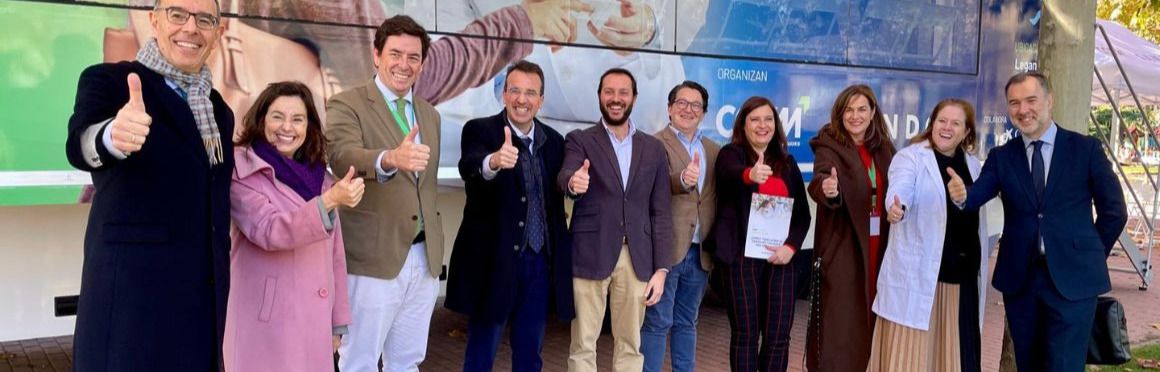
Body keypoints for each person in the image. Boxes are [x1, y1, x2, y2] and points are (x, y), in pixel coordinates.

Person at [63, 0, 233, 370]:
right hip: (131, 310)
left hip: (201, 309)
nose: (191, 28)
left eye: (204, 19)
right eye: (177, 14)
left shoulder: (219, 110)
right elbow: (80, 143)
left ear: (218, 32)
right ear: (154, 20)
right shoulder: (109, 81)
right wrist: (111, 137)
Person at [947, 71, 1127, 371]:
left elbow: (1115, 211)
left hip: (1074, 280)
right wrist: (961, 195)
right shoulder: (1002, 156)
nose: (1023, 110)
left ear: (1049, 100)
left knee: (1065, 366)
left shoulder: (1086, 149)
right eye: (1014, 103)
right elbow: (976, 195)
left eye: (1031, 100)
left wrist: (1089, 255)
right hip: (1022, 281)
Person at [325, 15, 445, 372]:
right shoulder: (347, 104)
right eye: (395, 54)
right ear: (376, 55)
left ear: (422, 64)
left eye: (413, 57)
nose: (403, 65)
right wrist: (389, 158)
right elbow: (339, 155)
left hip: (424, 257)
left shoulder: (430, 114)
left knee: (407, 361)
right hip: (372, 257)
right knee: (358, 360)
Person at [444, 60, 574, 371]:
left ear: (541, 100)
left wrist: (575, 188)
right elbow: (470, 166)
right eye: (515, 90)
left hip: (539, 264)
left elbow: (560, 190)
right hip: (494, 262)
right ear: (503, 94)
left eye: (531, 93)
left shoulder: (555, 141)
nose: (522, 99)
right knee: (481, 353)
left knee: (530, 354)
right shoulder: (480, 130)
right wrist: (493, 162)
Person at [222, 82, 361, 372]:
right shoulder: (241, 169)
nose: (287, 127)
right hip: (266, 323)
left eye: (298, 119)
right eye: (277, 116)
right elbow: (269, 229)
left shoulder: (319, 175)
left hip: (315, 320)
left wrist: (338, 321)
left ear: (309, 126)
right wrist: (327, 203)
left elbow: (335, 257)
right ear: (261, 120)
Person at [556, 68, 674, 372]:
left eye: (623, 92)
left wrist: (661, 269)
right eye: (609, 92)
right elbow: (566, 175)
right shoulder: (580, 140)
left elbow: (660, 211)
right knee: (583, 343)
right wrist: (573, 183)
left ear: (634, 97)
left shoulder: (653, 148)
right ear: (599, 96)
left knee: (630, 345)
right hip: (590, 252)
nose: (616, 99)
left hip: (638, 258)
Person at [868, 98, 990, 372]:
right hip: (924, 280)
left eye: (955, 123)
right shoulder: (911, 157)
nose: (946, 128)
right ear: (932, 124)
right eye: (941, 121)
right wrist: (896, 207)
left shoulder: (973, 165)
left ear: (967, 131)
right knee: (913, 360)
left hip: (964, 281)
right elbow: (900, 188)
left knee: (958, 359)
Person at [709, 96, 811, 372]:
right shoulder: (731, 155)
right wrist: (750, 175)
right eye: (755, 119)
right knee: (745, 334)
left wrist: (791, 247)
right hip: (741, 261)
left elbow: (803, 216)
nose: (762, 125)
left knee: (778, 337)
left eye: (768, 119)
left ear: (775, 126)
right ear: (743, 125)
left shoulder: (787, 164)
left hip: (781, 260)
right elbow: (728, 174)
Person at [805, 84, 896, 372]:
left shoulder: (883, 148)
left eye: (862, 109)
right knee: (841, 329)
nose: (855, 116)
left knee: (873, 320)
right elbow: (820, 179)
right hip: (844, 251)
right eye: (849, 110)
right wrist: (828, 188)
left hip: (879, 248)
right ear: (840, 114)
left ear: (872, 114)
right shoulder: (828, 144)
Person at [641, 80, 719, 372]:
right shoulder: (652, 143)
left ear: (704, 112)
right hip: (665, 251)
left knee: (688, 321)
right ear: (670, 108)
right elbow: (650, 187)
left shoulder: (713, 149)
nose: (688, 109)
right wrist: (682, 180)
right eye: (682, 103)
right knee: (657, 322)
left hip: (700, 252)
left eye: (695, 105)